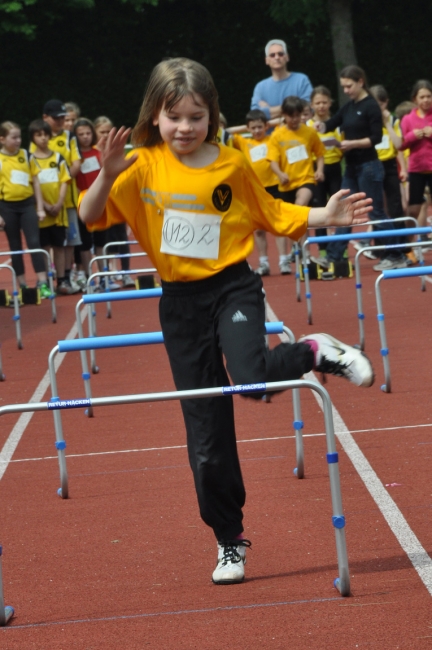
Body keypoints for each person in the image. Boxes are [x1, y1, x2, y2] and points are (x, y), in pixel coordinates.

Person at [79, 57, 374, 586]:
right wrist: (107, 172)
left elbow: (267, 210)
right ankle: (229, 541)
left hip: (232, 286)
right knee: (207, 438)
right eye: (174, 118)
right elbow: (90, 215)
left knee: (253, 380)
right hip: (179, 304)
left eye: (195, 116)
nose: (185, 127)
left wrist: (324, 217)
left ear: (212, 115)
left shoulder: (232, 163)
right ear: (156, 117)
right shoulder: (140, 165)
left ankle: (312, 351)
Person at [315, 65, 407, 271]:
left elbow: (376, 137)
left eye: (348, 86)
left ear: (360, 82)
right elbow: (331, 123)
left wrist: (352, 143)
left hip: (369, 165)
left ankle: (396, 254)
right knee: (344, 210)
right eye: (343, 87)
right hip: (353, 167)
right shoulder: (348, 106)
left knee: (375, 212)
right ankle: (333, 256)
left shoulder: (370, 106)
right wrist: (319, 127)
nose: (346, 90)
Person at [267, 95, 326, 271]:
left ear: (302, 115)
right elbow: (272, 161)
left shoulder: (309, 133)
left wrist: (319, 170)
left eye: (297, 116)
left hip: (306, 179)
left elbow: (320, 153)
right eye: (290, 116)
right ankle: (300, 249)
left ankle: (305, 253)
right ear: (284, 115)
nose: (294, 120)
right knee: (294, 220)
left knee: (300, 207)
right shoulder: (277, 135)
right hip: (286, 183)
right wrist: (280, 173)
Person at [30, 100, 82, 291]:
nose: (60, 121)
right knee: (44, 243)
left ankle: (65, 279)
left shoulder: (69, 137)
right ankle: (45, 280)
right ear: (45, 118)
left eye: (62, 117)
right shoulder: (36, 138)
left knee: (68, 242)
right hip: (42, 203)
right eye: (56, 118)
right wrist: (42, 202)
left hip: (65, 200)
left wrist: (63, 182)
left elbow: (76, 164)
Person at [0, 121, 50, 296]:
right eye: (13, 137)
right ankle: (21, 284)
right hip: (7, 206)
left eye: (19, 137)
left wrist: (40, 208)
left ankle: (42, 282)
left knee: (34, 242)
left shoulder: (26, 155)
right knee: (15, 246)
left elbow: (36, 181)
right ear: (2, 139)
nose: (17, 140)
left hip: (27, 204)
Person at [231, 109, 279, 276]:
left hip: (274, 186)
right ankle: (264, 262)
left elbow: (283, 123)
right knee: (258, 229)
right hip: (254, 189)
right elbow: (226, 132)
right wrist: (246, 128)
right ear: (248, 129)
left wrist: (268, 125)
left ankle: (284, 260)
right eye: (253, 128)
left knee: (278, 225)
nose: (257, 131)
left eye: (260, 127)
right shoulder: (244, 142)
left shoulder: (273, 138)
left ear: (266, 126)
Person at [93, 116, 134, 287]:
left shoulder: (118, 151)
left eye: (108, 131)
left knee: (121, 237)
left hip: (117, 199)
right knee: (105, 238)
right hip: (100, 201)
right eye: (101, 132)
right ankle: (108, 272)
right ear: (95, 132)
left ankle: (125, 273)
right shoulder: (92, 153)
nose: (104, 135)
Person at [307, 86, 343, 265]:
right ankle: (322, 249)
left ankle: (339, 249)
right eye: (317, 103)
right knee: (320, 209)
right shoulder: (307, 126)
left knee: (338, 208)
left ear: (330, 103)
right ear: (312, 105)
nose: (321, 106)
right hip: (316, 171)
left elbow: (343, 144)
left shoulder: (336, 123)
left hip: (335, 167)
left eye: (324, 102)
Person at [400, 80, 432, 243]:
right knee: (413, 209)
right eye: (422, 97)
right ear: (415, 99)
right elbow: (401, 144)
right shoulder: (407, 119)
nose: (426, 100)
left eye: (428, 96)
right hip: (416, 169)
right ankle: (407, 244)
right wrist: (413, 135)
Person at [251, 39, 313, 120]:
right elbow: (255, 116)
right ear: (267, 60)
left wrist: (268, 110)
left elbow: (308, 108)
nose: (277, 57)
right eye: (272, 55)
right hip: (270, 133)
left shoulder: (301, 80)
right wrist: (293, 108)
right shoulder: (260, 87)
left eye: (280, 54)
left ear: (287, 57)